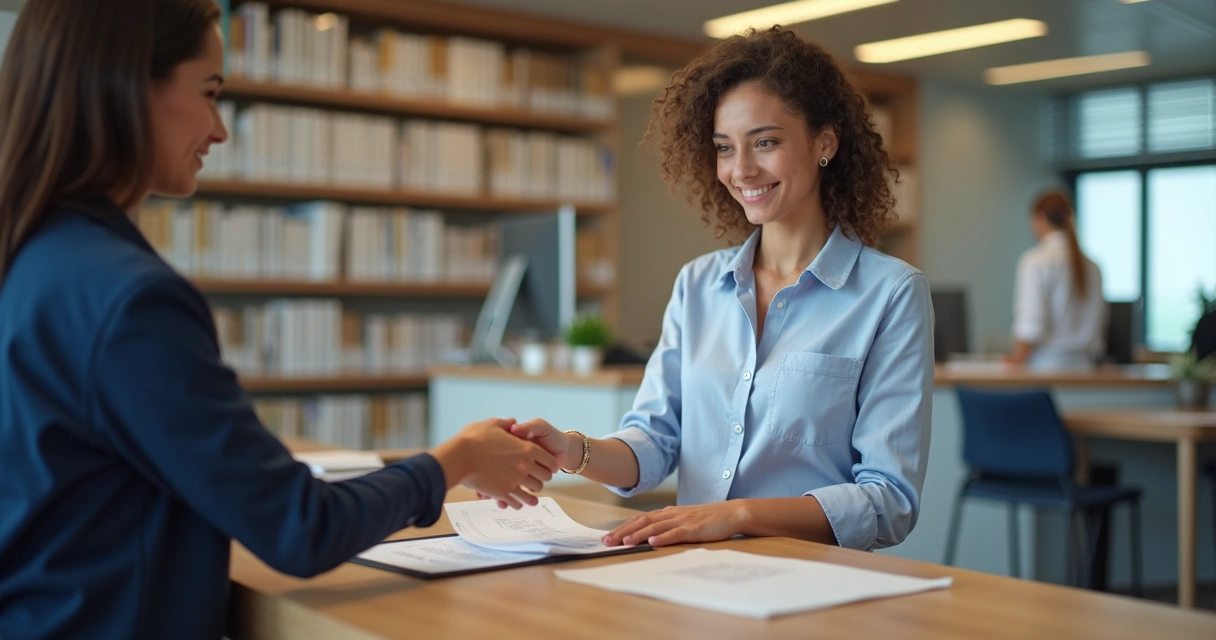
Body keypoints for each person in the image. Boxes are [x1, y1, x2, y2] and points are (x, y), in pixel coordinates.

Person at [0, 2, 555, 638]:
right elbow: (300, 529)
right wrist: (452, 461)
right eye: (209, 94)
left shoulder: (34, 260)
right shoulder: (131, 300)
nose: (219, 130)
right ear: (126, 85)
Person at [509, 28, 934, 552]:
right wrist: (571, 450)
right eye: (724, 148)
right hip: (697, 576)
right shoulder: (697, 284)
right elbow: (655, 441)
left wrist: (735, 516)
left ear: (825, 142)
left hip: (816, 584)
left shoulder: (891, 294)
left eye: (766, 142)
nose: (742, 170)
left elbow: (888, 502)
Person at [1008, 190, 1106, 368]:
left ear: (1039, 218)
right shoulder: (1093, 267)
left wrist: (1015, 362)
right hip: (1087, 372)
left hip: (1045, 369)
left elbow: (1031, 327)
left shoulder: (1035, 262)